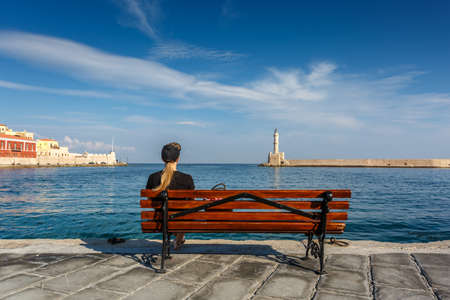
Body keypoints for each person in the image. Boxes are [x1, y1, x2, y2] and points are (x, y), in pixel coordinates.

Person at [146, 142, 194, 249]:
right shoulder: (187, 178)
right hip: (179, 220)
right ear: (178, 159)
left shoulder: (152, 178)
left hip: (159, 220)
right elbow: (191, 203)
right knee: (186, 212)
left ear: (162, 159)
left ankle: (178, 236)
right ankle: (179, 236)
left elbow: (150, 201)